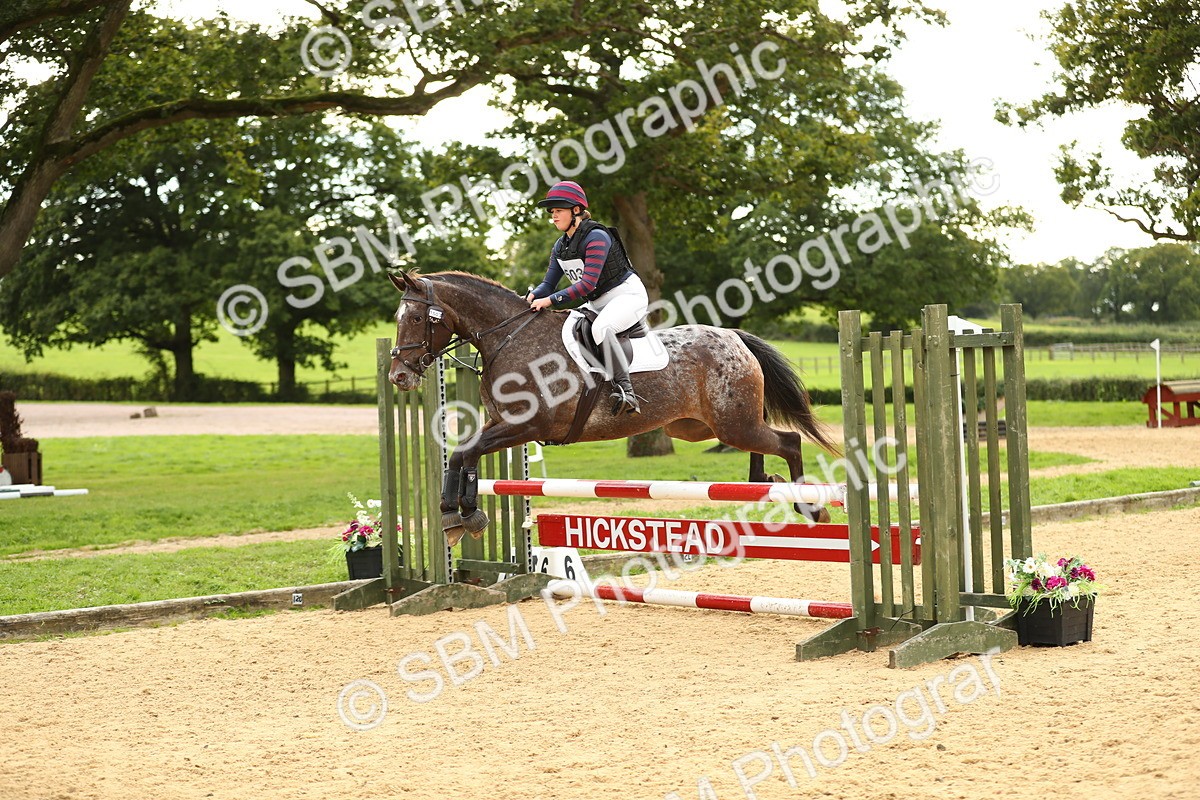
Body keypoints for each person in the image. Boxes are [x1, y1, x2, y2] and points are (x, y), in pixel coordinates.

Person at [526, 181, 648, 414]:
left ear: (576, 210)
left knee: (601, 328)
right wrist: (532, 296)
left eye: (558, 211)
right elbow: (548, 284)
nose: (553, 216)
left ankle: (627, 392)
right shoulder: (560, 246)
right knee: (565, 327)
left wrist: (549, 301)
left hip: (627, 296)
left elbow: (586, 284)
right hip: (597, 301)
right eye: (551, 212)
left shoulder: (597, 237)